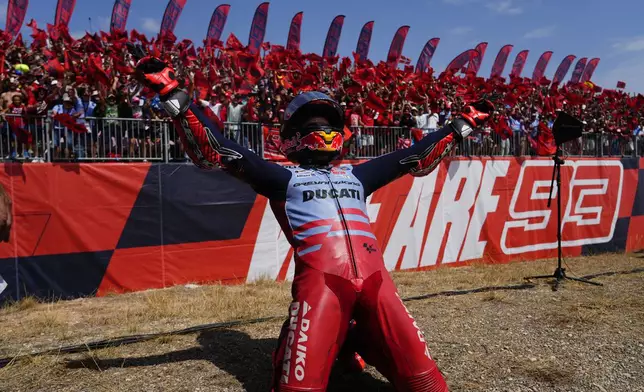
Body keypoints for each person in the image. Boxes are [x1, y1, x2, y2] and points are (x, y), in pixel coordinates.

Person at [135, 56, 494, 392]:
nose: (321, 131)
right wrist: (174, 96)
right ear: (292, 133)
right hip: (328, 289)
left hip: (369, 287)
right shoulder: (283, 177)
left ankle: (348, 337)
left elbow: (413, 156)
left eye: (327, 125)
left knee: (428, 386)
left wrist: (460, 125)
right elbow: (219, 150)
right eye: (313, 125)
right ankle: (342, 338)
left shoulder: (351, 174)